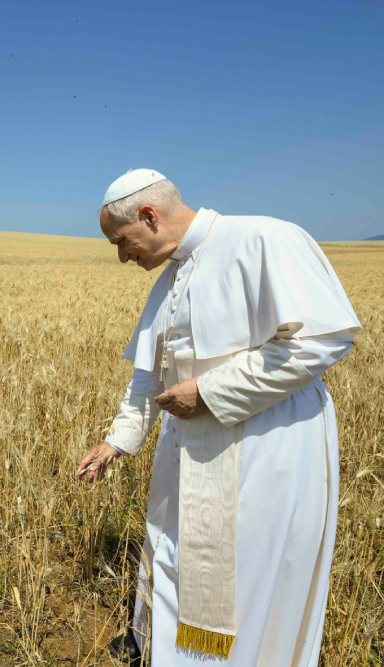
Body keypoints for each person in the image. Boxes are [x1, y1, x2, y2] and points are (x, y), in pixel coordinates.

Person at [77, 170, 361, 666]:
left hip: (263, 444)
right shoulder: (171, 276)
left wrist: (208, 393)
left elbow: (323, 339)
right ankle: (164, 647)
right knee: (173, 550)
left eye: (122, 242)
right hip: (188, 443)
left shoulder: (264, 238)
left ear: (149, 215)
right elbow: (150, 372)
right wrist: (117, 441)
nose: (122, 257)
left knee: (243, 574)